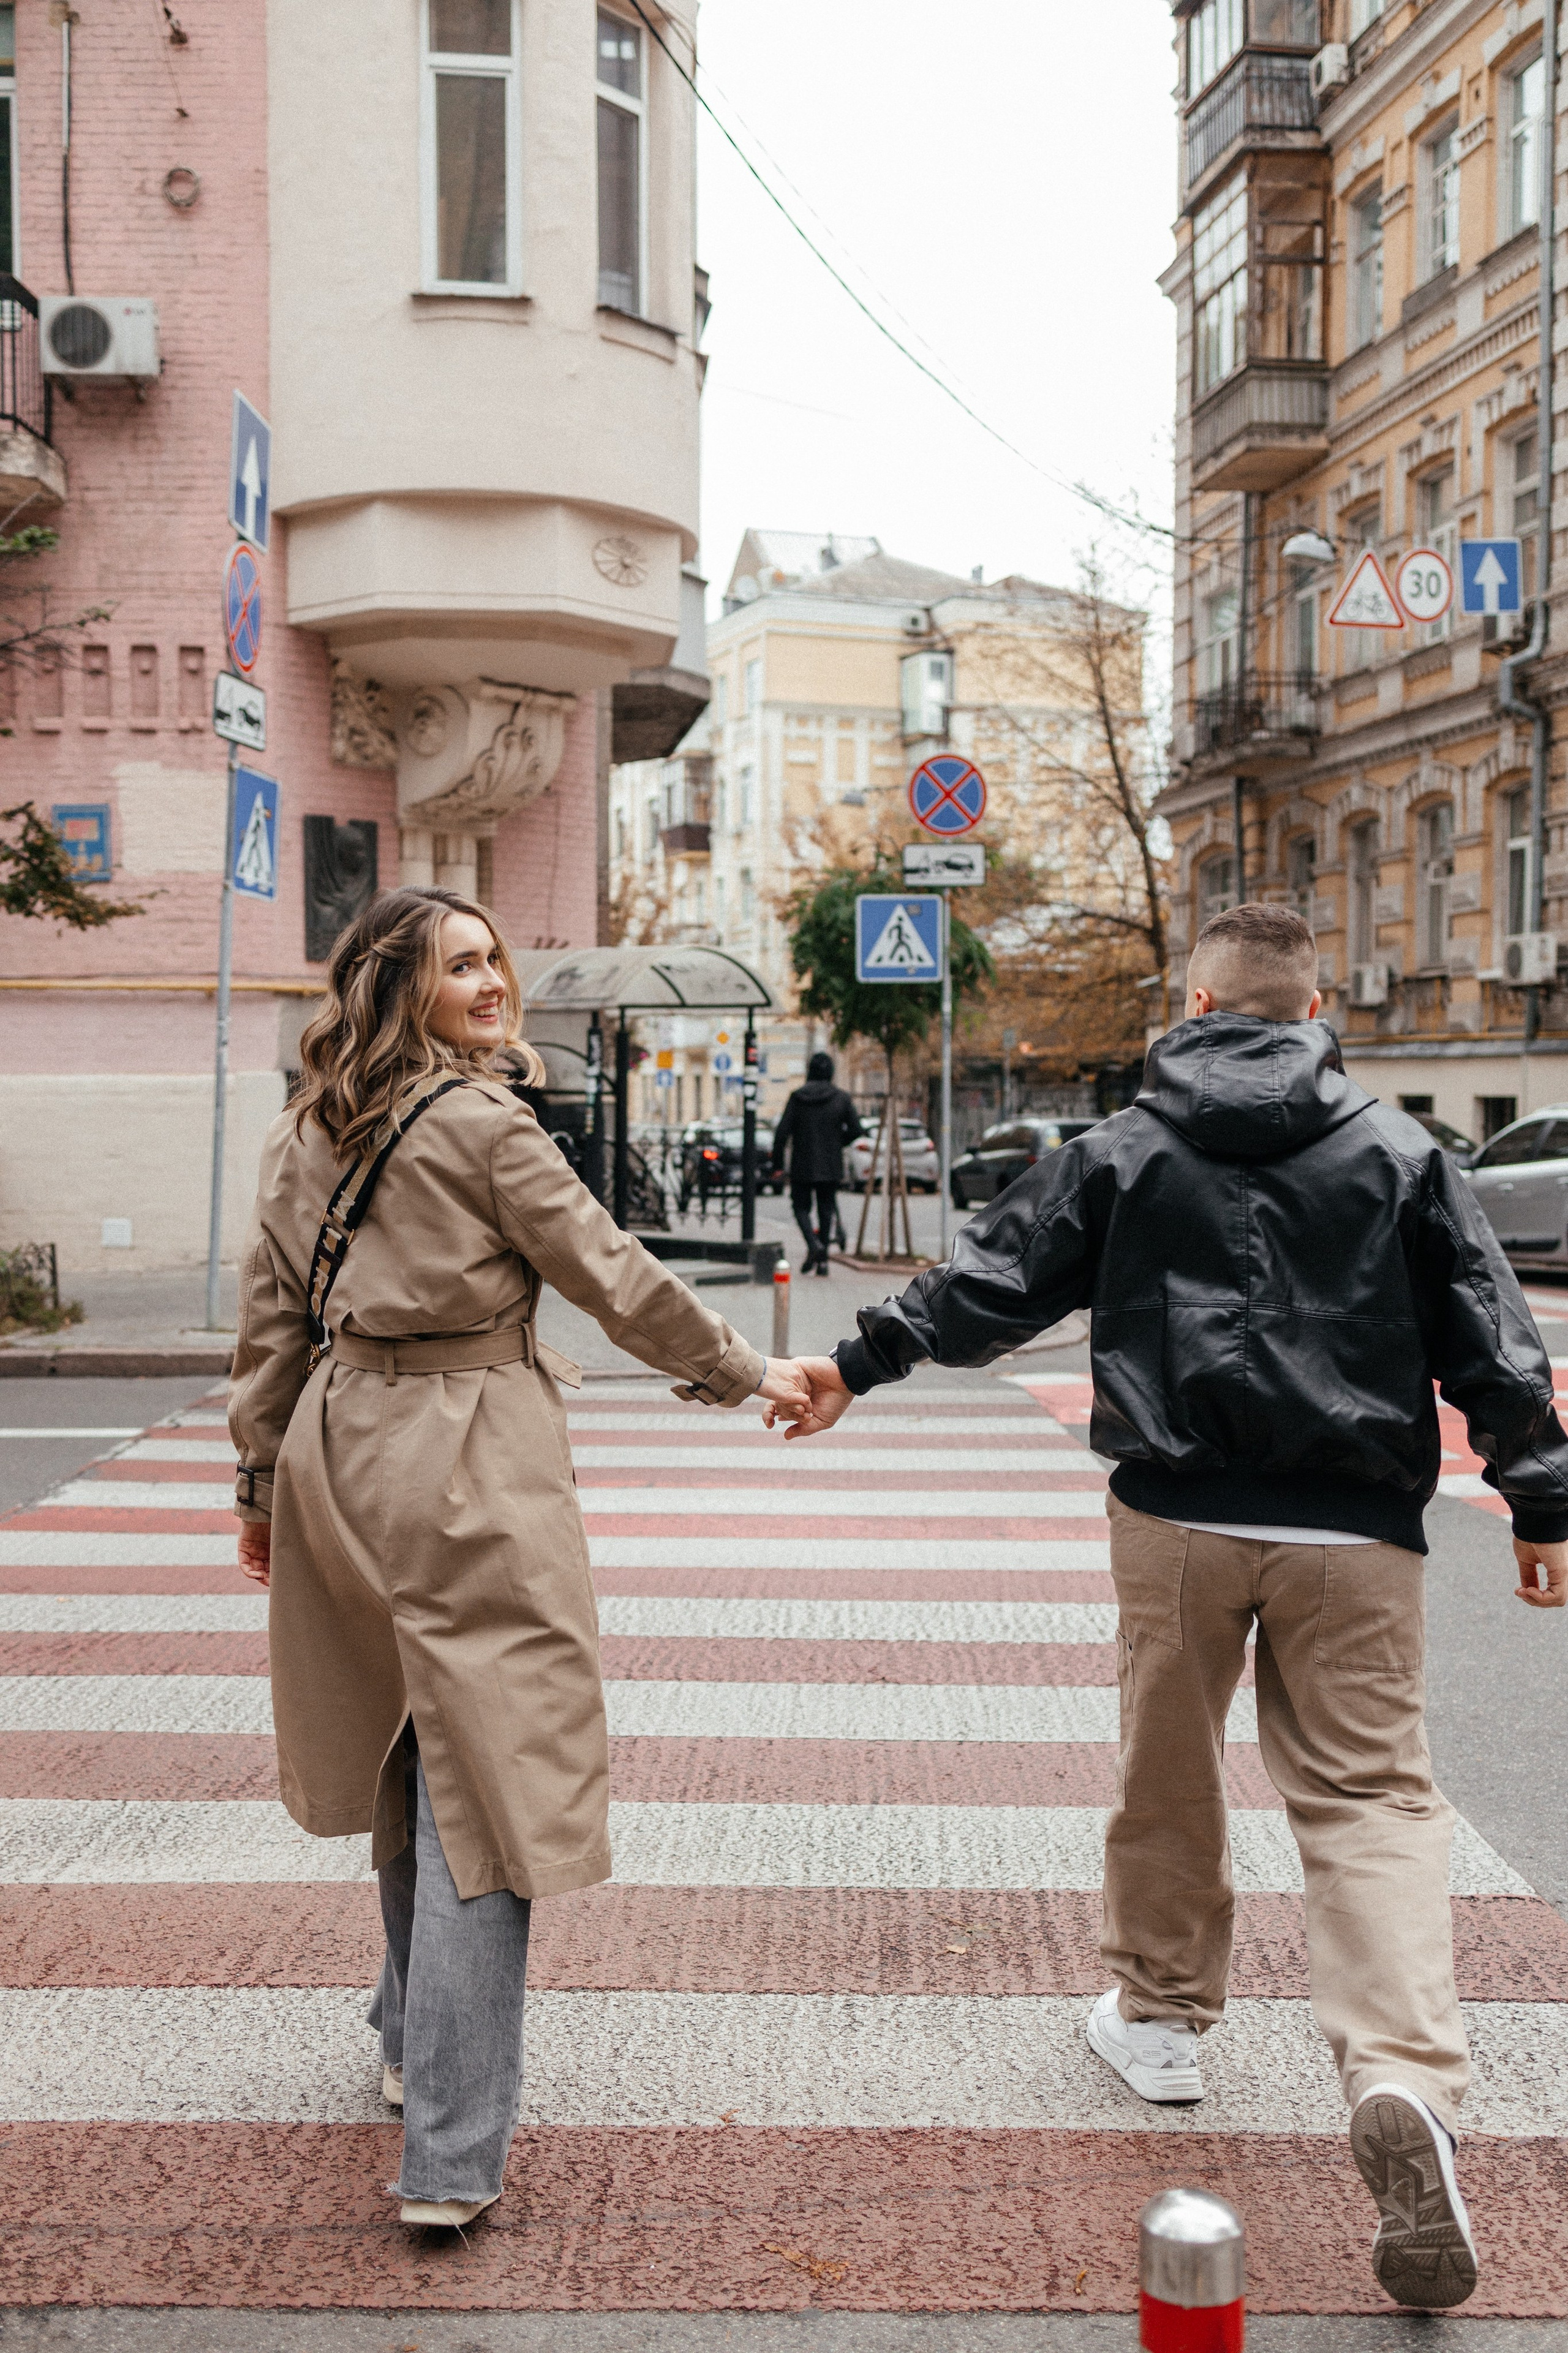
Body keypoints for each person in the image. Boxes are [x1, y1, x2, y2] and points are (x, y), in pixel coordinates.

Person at [772, 902, 1568, 2313]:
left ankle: (1156, 2017)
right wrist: (1540, 1496)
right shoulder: (1397, 1148)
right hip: (1352, 1527)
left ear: (1192, 1000)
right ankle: (1399, 2072)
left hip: (1177, 1515)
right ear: (1315, 1007)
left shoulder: (1124, 1144)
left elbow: (989, 1281)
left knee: (1167, 1758)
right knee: (1371, 1798)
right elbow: (1485, 1332)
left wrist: (855, 1361)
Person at [228, 886, 809, 2232]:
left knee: (400, 1747)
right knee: (485, 1791)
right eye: (460, 966)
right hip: (465, 1455)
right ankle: (447, 2156)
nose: (494, 983)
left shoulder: (297, 1132)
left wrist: (260, 1482)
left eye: (494, 959)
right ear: (399, 990)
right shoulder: (485, 1126)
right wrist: (743, 1370)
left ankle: (400, 2025)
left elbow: (269, 1327)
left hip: (336, 1446)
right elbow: (612, 1272)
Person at [770, 1049, 864, 1274]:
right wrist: (836, 1143)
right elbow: (856, 1129)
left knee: (800, 1207)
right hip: (831, 1164)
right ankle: (823, 1263)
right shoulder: (841, 1098)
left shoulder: (798, 1097)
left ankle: (814, 1246)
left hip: (802, 1163)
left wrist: (777, 1166)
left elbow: (782, 1133)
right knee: (826, 1210)